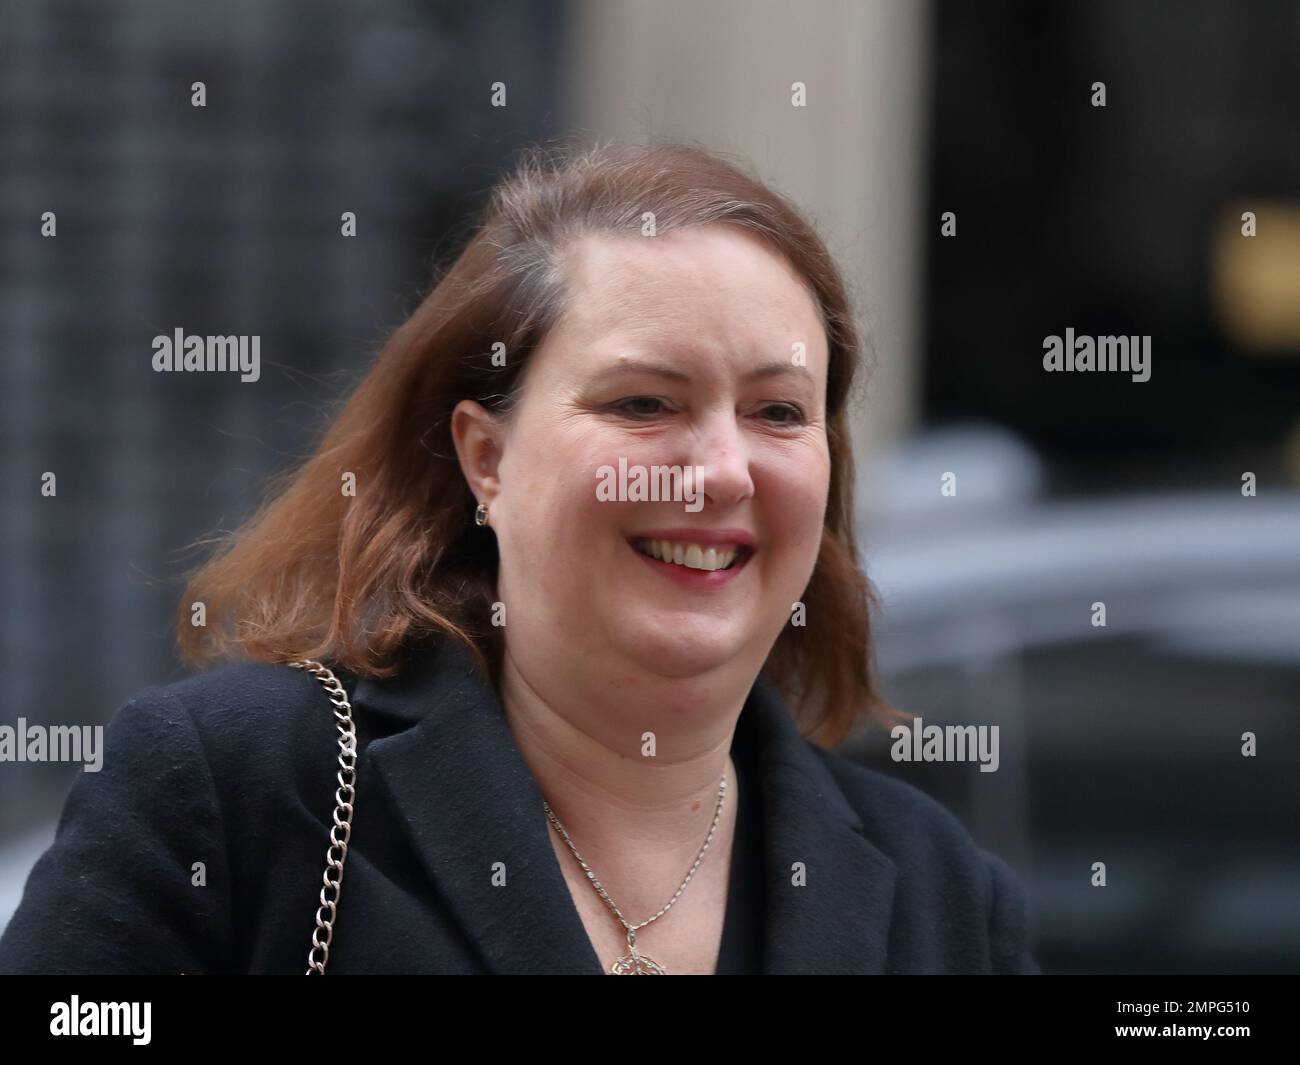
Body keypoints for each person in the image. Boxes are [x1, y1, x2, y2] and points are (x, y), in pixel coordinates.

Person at [0, 141, 1037, 975]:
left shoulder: (939, 893)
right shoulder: (238, 791)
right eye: (644, 403)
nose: (721, 470)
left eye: (777, 412)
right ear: (484, 458)